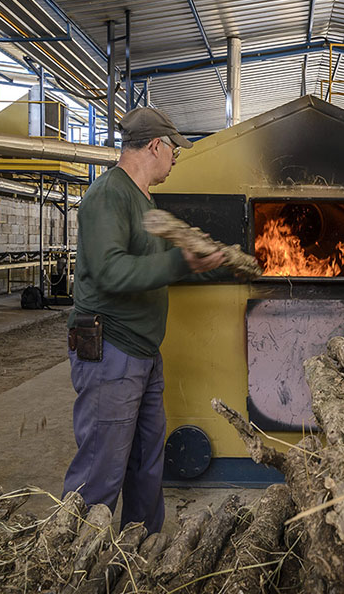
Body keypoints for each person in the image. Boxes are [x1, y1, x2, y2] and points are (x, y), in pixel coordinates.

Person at [63, 107, 225, 534]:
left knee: (146, 464)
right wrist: (179, 261)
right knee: (101, 468)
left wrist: (212, 261)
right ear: (155, 146)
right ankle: (68, 560)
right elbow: (110, 271)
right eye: (174, 150)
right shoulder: (107, 195)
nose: (175, 159)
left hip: (143, 352)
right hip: (112, 351)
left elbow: (155, 265)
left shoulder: (144, 201)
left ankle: (140, 552)